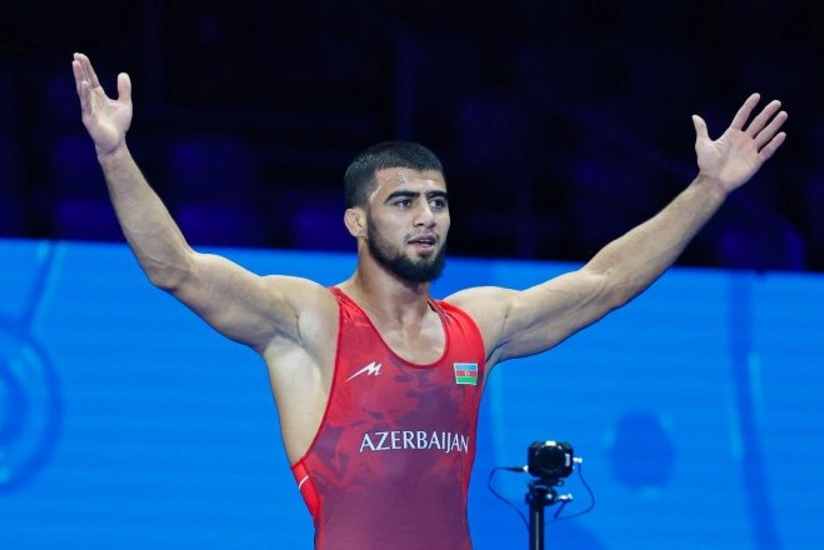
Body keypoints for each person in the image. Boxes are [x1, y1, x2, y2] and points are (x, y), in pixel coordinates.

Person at [71, 51, 787, 550]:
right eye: (404, 202)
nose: (426, 218)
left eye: (438, 202)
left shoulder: (478, 323)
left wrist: (709, 189)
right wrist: (113, 154)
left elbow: (606, 283)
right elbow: (177, 270)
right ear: (356, 222)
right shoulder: (310, 322)